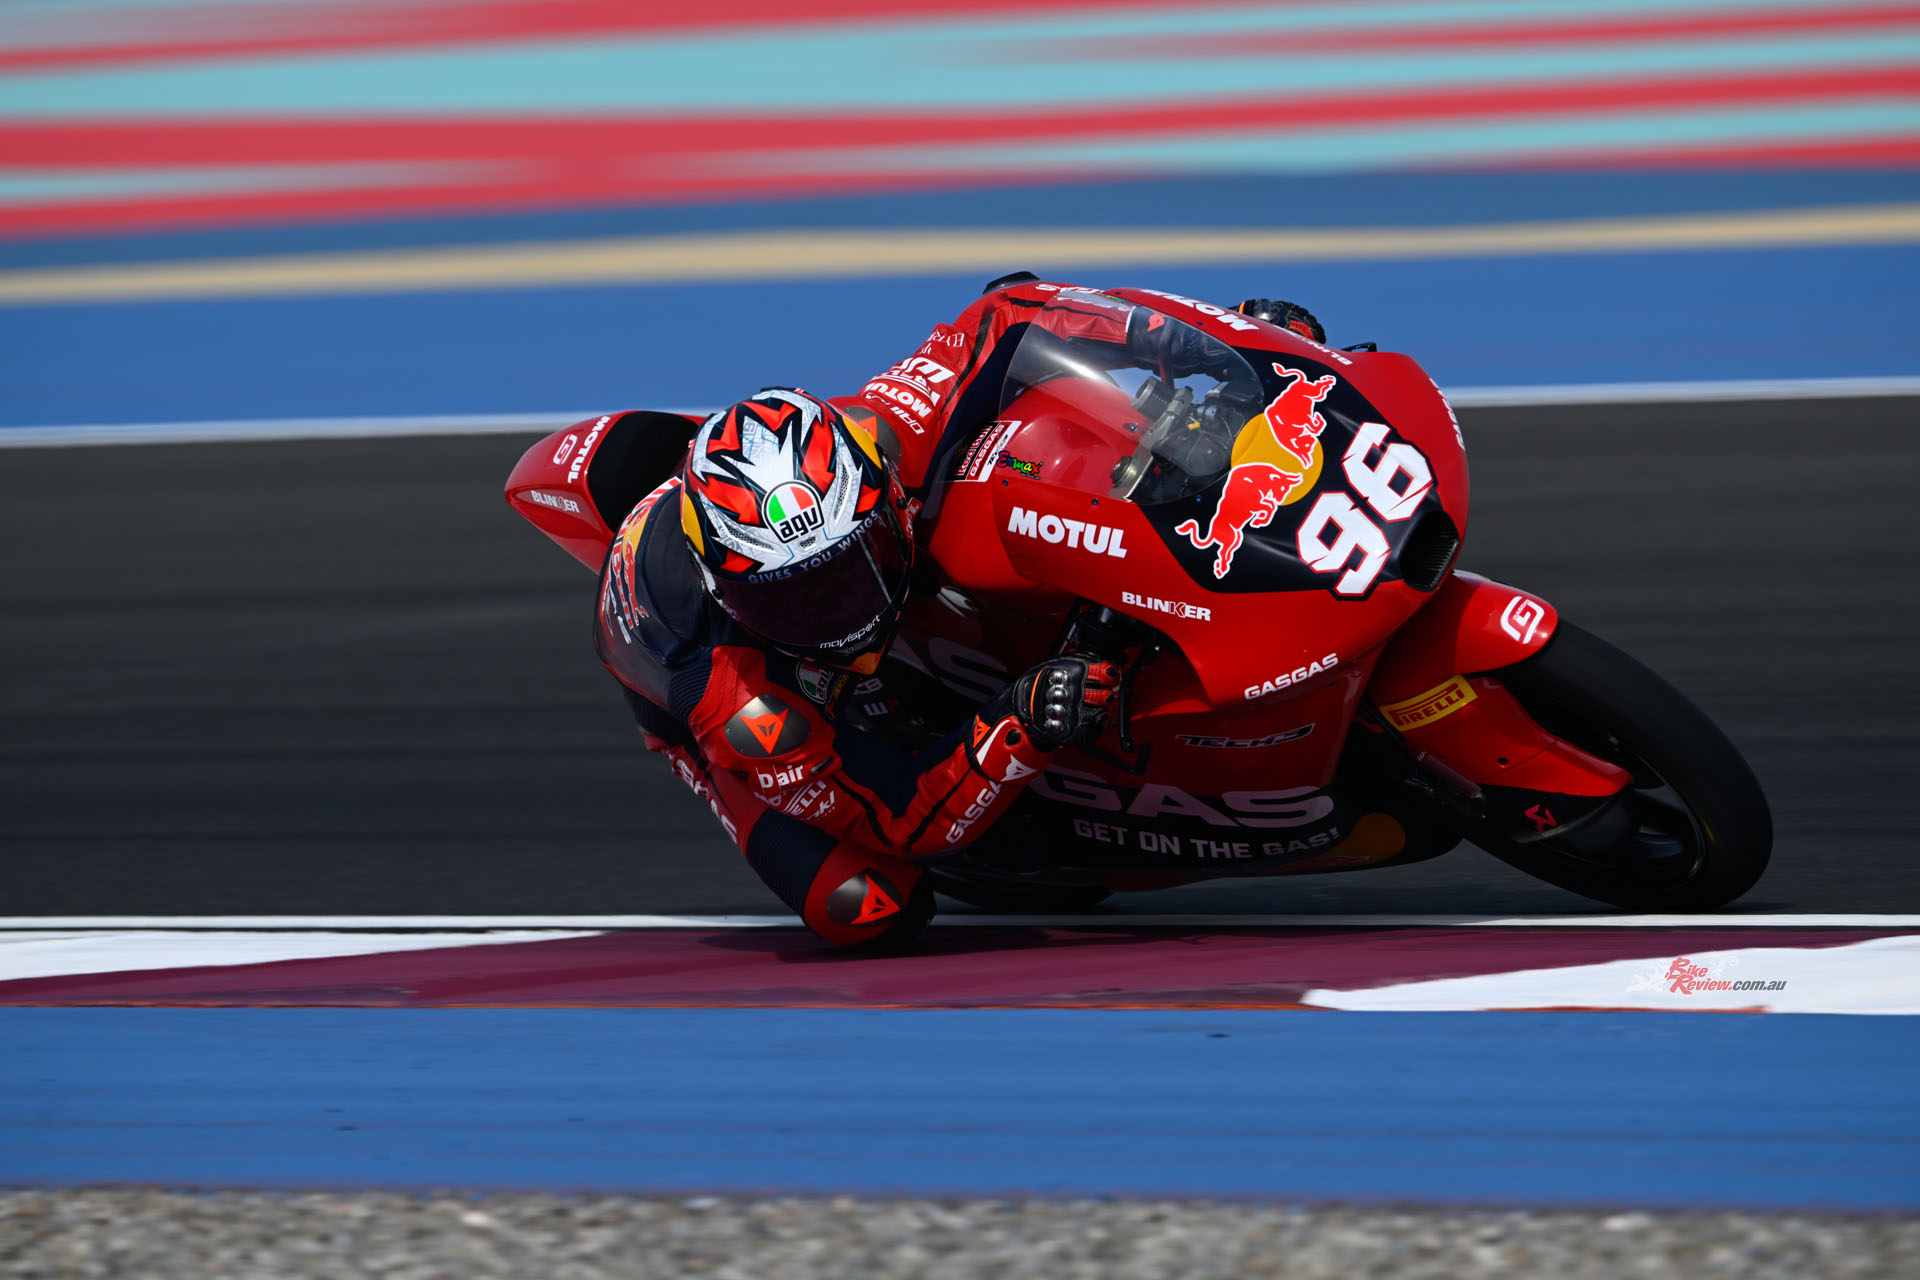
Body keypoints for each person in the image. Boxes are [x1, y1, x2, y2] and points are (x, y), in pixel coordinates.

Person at [593, 277, 1320, 945]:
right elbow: (900, 818)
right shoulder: (736, 700)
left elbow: (1011, 309)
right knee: (868, 909)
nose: (837, 613)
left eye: (853, 565)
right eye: (791, 598)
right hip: (709, 717)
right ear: (727, 589)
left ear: (877, 490)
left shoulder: (882, 430)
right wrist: (1019, 722)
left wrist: (1215, 341)